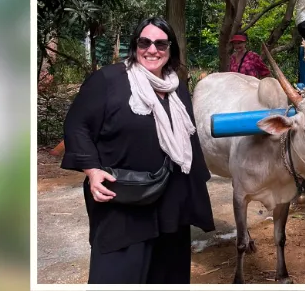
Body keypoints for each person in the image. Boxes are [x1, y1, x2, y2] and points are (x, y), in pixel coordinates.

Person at [60, 17, 214, 284]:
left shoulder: (177, 89)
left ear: (171, 49)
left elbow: (188, 141)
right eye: (145, 42)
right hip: (124, 202)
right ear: (135, 45)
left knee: (167, 277)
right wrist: (92, 171)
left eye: (160, 43)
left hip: (171, 206)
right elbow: (77, 126)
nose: (152, 50)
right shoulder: (108, 80)